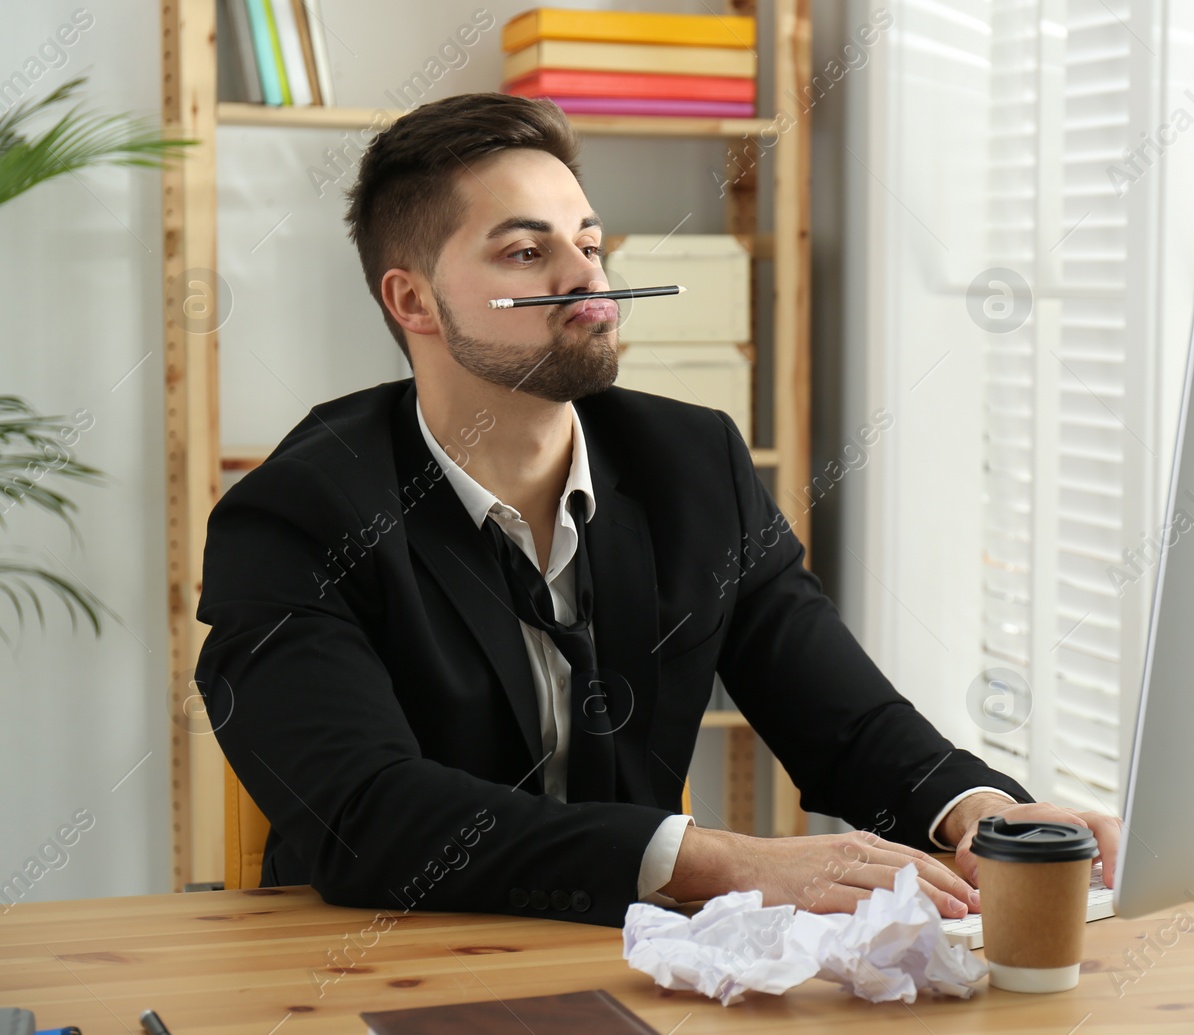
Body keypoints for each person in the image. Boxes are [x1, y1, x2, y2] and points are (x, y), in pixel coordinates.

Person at [195, 92, 1120, 928]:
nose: (589, 276)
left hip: (627, 965)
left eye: (589, 243)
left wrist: (978, 809)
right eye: (528, 251)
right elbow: (370, 816)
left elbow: (842, 716)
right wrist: (719, 860)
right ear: (413, 300)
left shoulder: (694, 464)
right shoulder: (294, 516)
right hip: (377, 962)